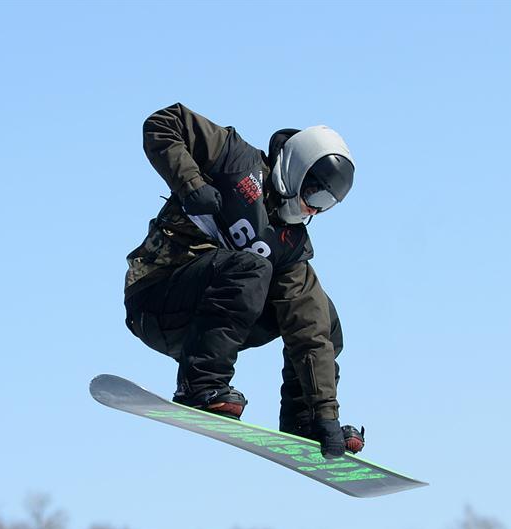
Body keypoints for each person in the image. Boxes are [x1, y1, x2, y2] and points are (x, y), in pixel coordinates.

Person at [124, 103, 364, 459]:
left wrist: (326, 414)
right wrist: (190, 184)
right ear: (297, 170)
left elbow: (310, 333)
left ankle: (304, 420)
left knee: (321, 318)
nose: (313, 208)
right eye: (314, 193)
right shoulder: (236, 162)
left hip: (206, 325)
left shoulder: (290, 245)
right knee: (251, 267)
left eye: (326, 204)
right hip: (157, 296)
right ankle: (200, 386)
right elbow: (164, 122)